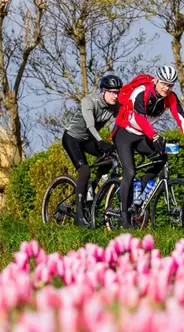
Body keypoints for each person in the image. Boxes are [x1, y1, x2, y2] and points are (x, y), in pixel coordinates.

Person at [113, 65, 184, 228]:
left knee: (161, 158)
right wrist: (154, 136)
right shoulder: (141, 92)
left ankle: (140, 193)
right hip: (124, 132)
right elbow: (140, 118)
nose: (166, 88)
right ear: (156, 81)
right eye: (163, 84)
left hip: (142, 135)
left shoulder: (170, 97)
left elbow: (180, 118)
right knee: (130, 171)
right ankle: (123, 216)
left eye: (170, 85)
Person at [62, 74, 123, 226]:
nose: (115, 96)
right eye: (112, 92)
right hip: (73, 138)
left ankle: (92, 188)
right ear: (104, 91)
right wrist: (101, 141)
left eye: (117, 92)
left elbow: (122, 122)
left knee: (110, 160)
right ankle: (80, 215)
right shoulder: (89, 101)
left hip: (89, 140)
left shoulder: (115, 106)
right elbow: (90, 126)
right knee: (84, 171)